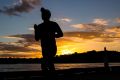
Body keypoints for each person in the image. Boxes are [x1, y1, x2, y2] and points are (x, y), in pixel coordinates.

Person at [34, 7, 63, 73]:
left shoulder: (53, 24)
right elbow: (37, 38)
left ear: (48, 16)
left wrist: (52, 35)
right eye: (42, 15)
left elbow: (61, 34)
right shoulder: (40, 26)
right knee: (48, 64)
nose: (43, 16)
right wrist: (36, 30)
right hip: (44, 49)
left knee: (46, 64)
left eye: (44, 15)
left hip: (52, 48)